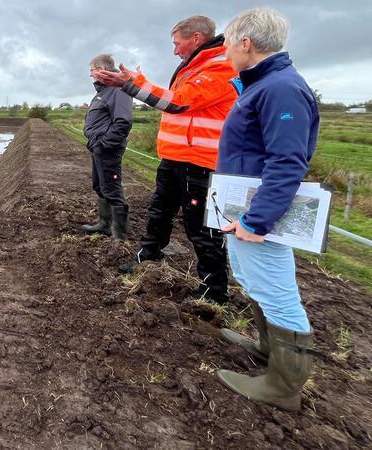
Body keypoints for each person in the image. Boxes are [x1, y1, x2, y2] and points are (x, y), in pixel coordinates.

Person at [215, 7, 319, 412]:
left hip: (258, 214)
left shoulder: (280, 89)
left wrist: (257, 219)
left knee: (276, 291)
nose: (224, 51)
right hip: (244, 207)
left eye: (226, 43)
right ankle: (266, 348)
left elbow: (287, 160)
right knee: (252, 278)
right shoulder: (263, 86)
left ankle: (284, 386)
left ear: (246, 43)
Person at [94, 16, 237, 303]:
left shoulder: (221, 66)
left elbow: (179, 102)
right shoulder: (192, 67)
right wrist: (137, 82)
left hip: (200, 161)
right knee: (158, 212)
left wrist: (132, 85)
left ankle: (214, 290)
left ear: (196, 38)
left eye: (177, 43)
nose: (174, 50)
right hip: (174, 158)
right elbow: (174, 98)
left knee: (200, 227)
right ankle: (148, 257)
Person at [82, 54, 134, 239]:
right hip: (98, 148)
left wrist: (105, 144)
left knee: (112, 188)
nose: (91, 75)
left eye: (92, 71)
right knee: (100, 185)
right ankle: (104, 224)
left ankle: (120, 236)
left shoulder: (117, 90)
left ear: (102, 69)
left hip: (107, 150)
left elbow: (123, 121)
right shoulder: (103, 92)